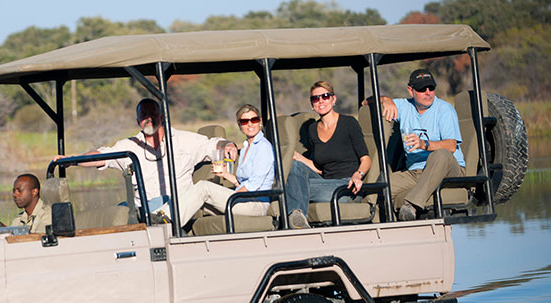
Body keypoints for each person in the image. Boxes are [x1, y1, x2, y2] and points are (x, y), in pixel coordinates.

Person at [55, 98, 268, 228]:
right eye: (143, 115)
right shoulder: (130, 145)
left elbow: (213, 145)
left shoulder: (184, 140)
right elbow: (102, 155)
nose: (148, 119)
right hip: (143, 208)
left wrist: (226, 145)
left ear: (161, 115)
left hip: (174, 209)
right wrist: (72, 160)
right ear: (138, 120)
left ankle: (160, 220)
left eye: (152, 114)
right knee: (117, 212)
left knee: (153, 208)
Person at [368, 69, 465, 221]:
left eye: (431, 88)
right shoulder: (404, 106)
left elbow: (451, 146)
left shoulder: (444, 109)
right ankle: (385, 230)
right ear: (411, 91)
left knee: (441, 154)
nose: (428, 93)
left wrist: (423, 144)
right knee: (380, 187)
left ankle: (411, 205)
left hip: (447, 170)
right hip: (416, 172)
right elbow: (369, 100)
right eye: (421, 89)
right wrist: (386, 99)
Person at [284, 81, 371, 229]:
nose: (320, 101)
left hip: (346, 187)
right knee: (294, 167)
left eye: (325, 96)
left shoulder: (349, 123)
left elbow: (366, 159)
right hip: (324, 182)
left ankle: (295, 215)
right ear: (312, 103)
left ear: (333, 99)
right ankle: (297, 218)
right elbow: (320, 168)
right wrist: (298, 157)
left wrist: (358, 174)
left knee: (293, 187)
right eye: (315, 98)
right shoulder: (312, 129)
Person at [214, 104, 274, 216]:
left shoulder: (263, 147)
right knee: (205, 202)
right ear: (239, 125)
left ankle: (172, 225)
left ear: (260, 121)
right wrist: (225, 174)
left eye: (254, 120)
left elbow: (254, 184)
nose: (250, 124)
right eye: (245, 121)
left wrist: (232, 196)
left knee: (205, 188)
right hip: (244, 199)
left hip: (256, 203)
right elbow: (242, 182)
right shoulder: (246, 146)